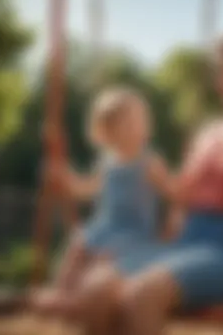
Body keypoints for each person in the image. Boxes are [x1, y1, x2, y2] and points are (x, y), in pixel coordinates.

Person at [41, 31, 223, 334]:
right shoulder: (211, 133)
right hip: (184, 246)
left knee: (143, 295)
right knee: (95, 288)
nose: (218, 82)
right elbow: (182, 197)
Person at [32, 87, 174, 311]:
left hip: (134, 232)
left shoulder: (149, 162)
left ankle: (84, 299)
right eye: (127, 124)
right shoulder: (107, 162)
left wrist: (171, 228)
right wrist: (65, 178)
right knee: (78, 244)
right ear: (109, 132)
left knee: (104, 259)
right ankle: (62, 290)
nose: (138, 128)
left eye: (140, 121)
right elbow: (87, 189)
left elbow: (170, 191)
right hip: (106, 226)